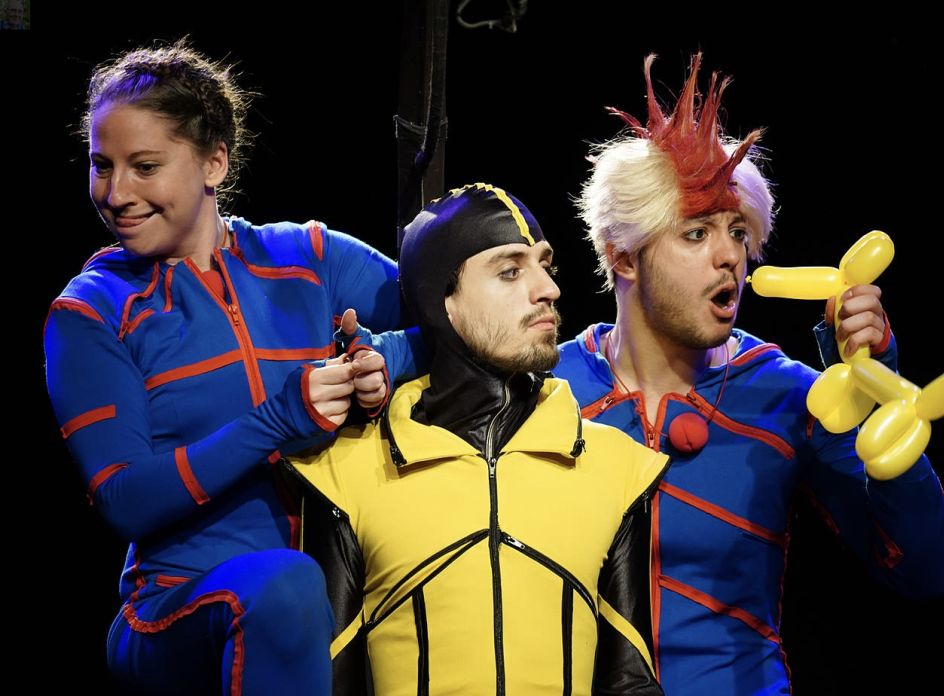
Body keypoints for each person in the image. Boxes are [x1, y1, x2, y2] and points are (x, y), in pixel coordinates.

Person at [553, 54, 944, 695]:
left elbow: (923, 573)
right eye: (695, 233)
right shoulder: (546, 388)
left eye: (738, 232)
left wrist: (881, 403)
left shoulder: (789, 396)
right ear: (623, 257)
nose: (729, 256)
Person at [44, 40, 421, 694]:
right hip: (176, 608)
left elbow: (452, 321)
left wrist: (377, 360)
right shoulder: (91, 311)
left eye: (144, 166)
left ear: (213, 162)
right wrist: (279, 419)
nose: (116, 193)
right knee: (285, 585)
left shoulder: (308, 256)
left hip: (341, 594)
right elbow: (125, 498)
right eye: (102, 166)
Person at [289, 183, 668, 695]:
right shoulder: (344, 473)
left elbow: (630, 683)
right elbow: (331, 682)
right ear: (440, 301)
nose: (548, 290)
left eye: (545, 265)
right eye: (510, 271)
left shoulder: (617, 468)